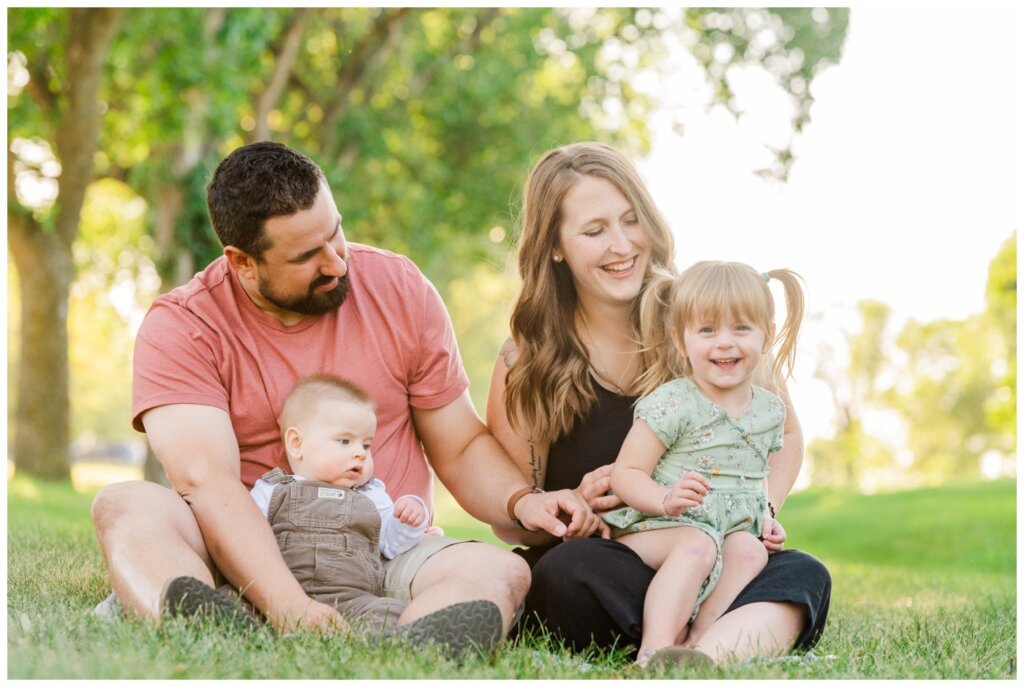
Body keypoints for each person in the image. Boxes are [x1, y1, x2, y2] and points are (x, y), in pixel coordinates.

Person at [90, 141, 604, 655]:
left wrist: (524, 500)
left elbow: (461, 446)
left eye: (336, 233)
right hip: (241, 553)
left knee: (499, 569)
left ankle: (399, 656)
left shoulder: (398, 286)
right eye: (307, 255)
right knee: (125, 505)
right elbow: (206, 481)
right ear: (243, 262)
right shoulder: (184, 326)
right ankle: (213, 624)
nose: (337, 263)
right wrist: (289, 605)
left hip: (381, 553)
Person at [486, 142, 831, 667]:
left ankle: (699, 655)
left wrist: (763, 510)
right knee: (564, 572)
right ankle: (712, 641)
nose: (622, 245)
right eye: (595, 230)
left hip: (717, 561)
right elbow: (513, 520)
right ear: (555, 246)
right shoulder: (525, 362)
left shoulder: (704, 321)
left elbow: (787, 435)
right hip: (618, 558)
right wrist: (570, 503)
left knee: (803, 573)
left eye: (631, 220)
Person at [601, 261, 806, 666]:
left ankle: (697, 647)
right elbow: (626, 474)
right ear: (681, 340)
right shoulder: (674, 402)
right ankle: (653, 652)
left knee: (749, 552)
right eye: (708, 330)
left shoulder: (769, 408)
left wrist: (765, 512)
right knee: (697, 546)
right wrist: (664, 499)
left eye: (742, 328)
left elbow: (765, 462)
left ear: (767, 337)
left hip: (728, 528)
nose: (724, 343)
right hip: (661, 525)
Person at [248, 373, 428, 634]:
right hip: (282, 595)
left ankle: (377, 638)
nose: (359, 453)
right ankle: (232, 621)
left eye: (366, 445)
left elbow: (391, 545)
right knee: (235, 599)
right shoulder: (273, 489)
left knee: (390, 611)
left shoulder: (371, 494)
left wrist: (409, 519)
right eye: (345, 441)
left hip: (353, 599)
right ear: (297, 443)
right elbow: (249, 536)